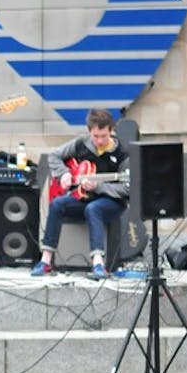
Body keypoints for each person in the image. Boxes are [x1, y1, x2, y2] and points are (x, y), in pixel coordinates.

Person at [31, 108, 130, 280]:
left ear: (111, 130)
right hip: (84, 196)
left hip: (111, 202)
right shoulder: (81, 143)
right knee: (57, 204)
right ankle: (45, 260)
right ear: (89, 131)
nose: (99, 141)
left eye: (104, 136)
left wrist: (98, 187)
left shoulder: (122, 153)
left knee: (93, 209)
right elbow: (54, 156)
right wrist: (64, 174)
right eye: (95, 136)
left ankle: (98, 263)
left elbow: (127, 189)